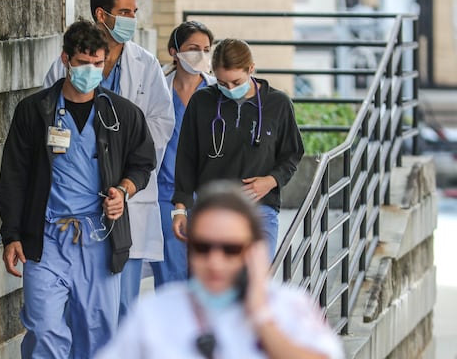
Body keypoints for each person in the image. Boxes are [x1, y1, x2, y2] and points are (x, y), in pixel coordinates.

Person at [0, 19, 156, 359]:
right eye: (83, 63)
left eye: (98, 64)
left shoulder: (122, 114)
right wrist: (11, 235)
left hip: (99, 239)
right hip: (47, 239)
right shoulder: (35, 111)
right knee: (43, 329)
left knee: (98, 335)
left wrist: (123, 192)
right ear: (66, 59)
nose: (91, 70)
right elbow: (14, 175)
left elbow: (142, 163)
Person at [43, 0, 175, 321]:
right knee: (78, 309)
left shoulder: (144, 64)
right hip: (76, 201)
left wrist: (128, 166)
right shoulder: (64, 65)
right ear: (102, 14)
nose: (132, 18)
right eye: (125, 11)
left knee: (123, 304)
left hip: (127, 195)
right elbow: (48, 120)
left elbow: (162, 121)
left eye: (134, 11)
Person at [96, 181, 345, 359]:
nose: (215, 261)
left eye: (230, 249)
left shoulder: (289, 307)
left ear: (252, 251)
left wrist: (261, 317)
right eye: (204, 247)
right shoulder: (154, 314)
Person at [172, 38, 304, 258]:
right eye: (222, 83)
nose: (229, 89)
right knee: (211, 283)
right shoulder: (201, 101)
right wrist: (179, 208)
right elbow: (186, 158)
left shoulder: (278, 104)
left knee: (255, 280)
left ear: (251, 69)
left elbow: (292, 154)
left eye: (236, 81)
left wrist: (271, 181)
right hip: (210, 209)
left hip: (259, 210)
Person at [151, 21, 216, 287]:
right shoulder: (157, 91)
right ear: (174, 51)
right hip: (166, 195)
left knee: (207, 277)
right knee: (171, 279)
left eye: (206, 49)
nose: (200, 55)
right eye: (192, 48)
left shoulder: (217, 93)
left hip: (210, 196)